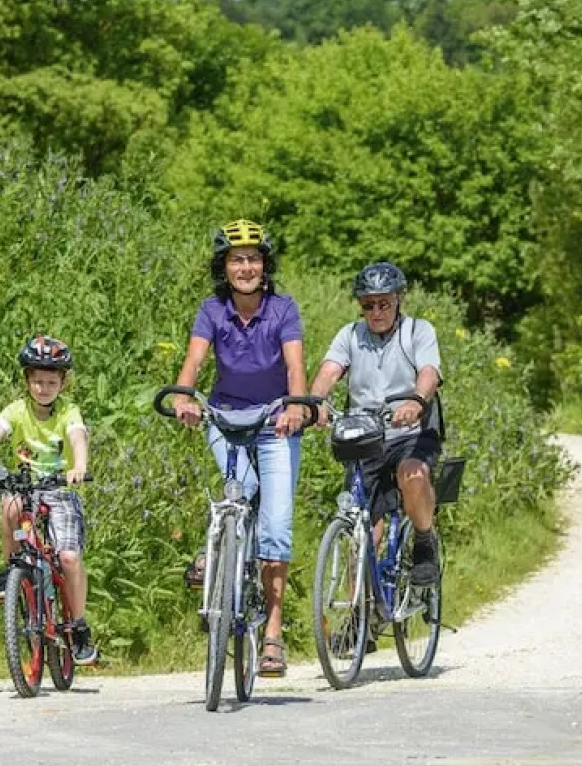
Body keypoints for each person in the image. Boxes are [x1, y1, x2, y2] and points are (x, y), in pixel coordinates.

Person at [169, 220, 309, 678]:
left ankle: (272, 633)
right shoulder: (212, 310)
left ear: (265, 265)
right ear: (223, 267)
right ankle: (220, 548)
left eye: (253, 258)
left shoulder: (283, 309)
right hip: (226, 419)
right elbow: (194, 361)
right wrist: (185, 396)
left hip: (275, 422)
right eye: (236, 259)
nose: (245, 267)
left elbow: (295, 366)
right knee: (238, 491)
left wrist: (295, 408)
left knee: (276, 529)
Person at [0, 335, 98, 665]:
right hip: (26, 488)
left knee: (67, 557)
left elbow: (77, 437)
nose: (43, 388)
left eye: (51, 382)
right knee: (9, 503)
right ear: (27, 381)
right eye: (37, 381)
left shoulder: (69, 411)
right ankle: (12, 569)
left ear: (63, 383)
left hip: (60, 489)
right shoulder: (16, 411)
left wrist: (79, 466)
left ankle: (78, 626)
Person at [310, 261, 445, 588]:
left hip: (413, 430)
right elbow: (329, 371)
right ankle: (362, 617)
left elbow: (429, 372)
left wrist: (416, 400)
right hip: (366, 433)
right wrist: (316, 402)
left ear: (399, 300)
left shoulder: (418, 330)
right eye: (368, 305)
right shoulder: (350, 335)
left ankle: (424, 542)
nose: (376, 311)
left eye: (384, 303)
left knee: (411, 472)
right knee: (361, 523)